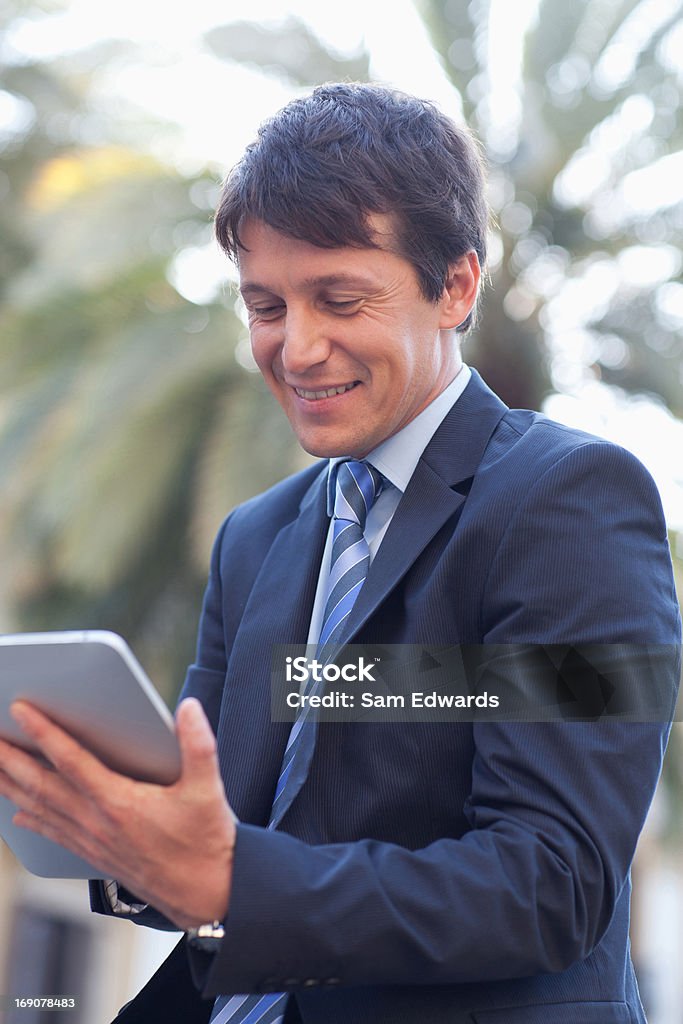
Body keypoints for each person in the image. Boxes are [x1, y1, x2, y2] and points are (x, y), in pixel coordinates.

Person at [0, 83, 680, 1024]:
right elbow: (223, 837)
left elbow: (548, 883)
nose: (297, 347)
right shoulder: (255, 539)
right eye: (266, 304)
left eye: (340, 298)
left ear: (456, 286)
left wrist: (227, 883)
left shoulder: (572, 502)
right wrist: (114, 831)